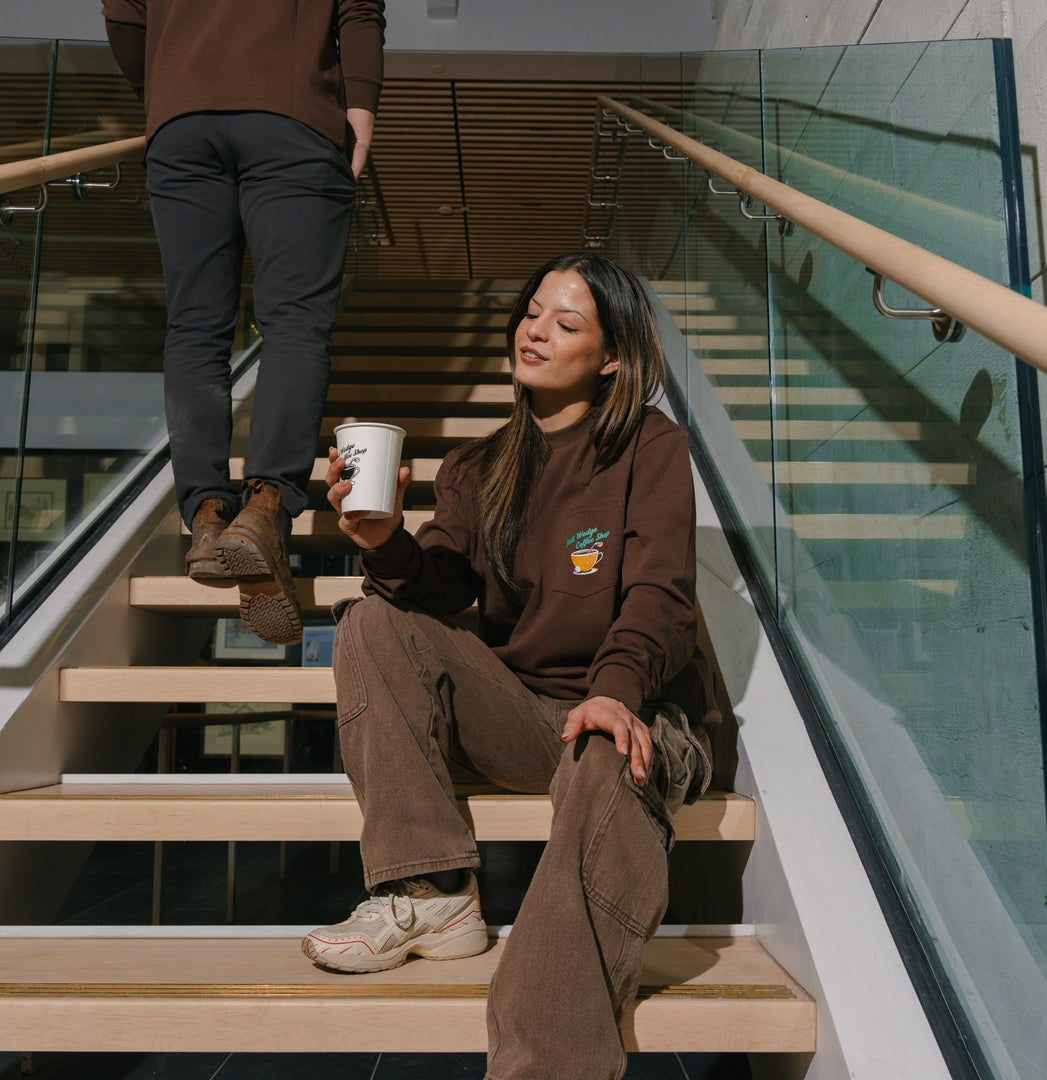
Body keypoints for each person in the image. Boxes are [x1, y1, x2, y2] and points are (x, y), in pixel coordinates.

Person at [302, 253, 716, 1079]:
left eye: (566, 322)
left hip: (634, 712)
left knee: (605, 757)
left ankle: (544, 1064)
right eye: (532, 312)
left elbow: (660, 595)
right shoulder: (477, 465)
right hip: (525, 714)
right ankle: (431, 893)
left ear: (611, 357)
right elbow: (437, 587)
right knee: (372, 620)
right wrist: (384, 543)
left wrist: (614, 693)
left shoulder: (650, 447)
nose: (536, 331)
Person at [102, 0, 386, 644]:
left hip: (181, 122)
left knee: (195, 328)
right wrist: (360, 113)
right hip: (294, 115)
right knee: (294, 323)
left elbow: (123, 17)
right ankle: (266, 508)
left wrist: (172, 87)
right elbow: (359, 9)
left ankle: (207, 514)